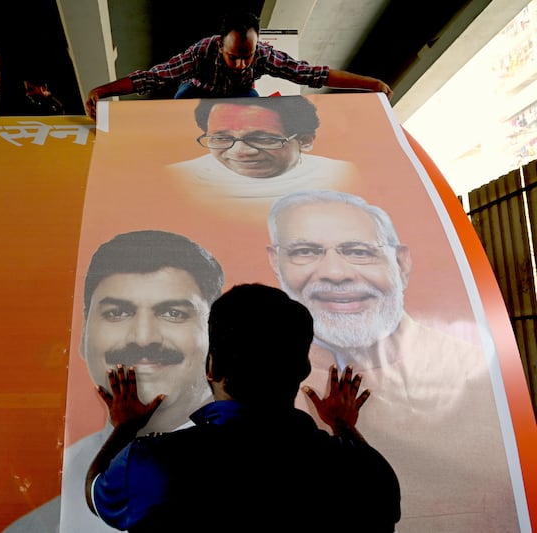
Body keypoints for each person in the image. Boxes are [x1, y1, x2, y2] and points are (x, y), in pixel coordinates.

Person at [266, 189, 520, 532]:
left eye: (358, 251)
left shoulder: (477, 375)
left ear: (401, 262)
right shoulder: (267, 383)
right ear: (274, 262)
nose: (335, 273)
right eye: (305, 252)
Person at [86, 283, 401, 532]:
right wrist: (343, 425)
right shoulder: (361, 472)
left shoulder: (151, 463)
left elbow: (96, 493)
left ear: (212, 366)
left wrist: (126, 426)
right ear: (303, 368)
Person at [4, 229, 224, 532]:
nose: (143, 338)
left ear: (217, 338)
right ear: (81, 336)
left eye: (173, 313)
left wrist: (124, 431)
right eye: (117, 312)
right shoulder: (37, 499)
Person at [85, 10, 392, 119]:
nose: (242, 63)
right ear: (221, 45)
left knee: (259, 113)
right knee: (180, 108)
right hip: (196, 92)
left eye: (248, 55)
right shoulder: (201, 52)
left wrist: (371, 84)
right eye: (235, 56)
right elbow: (152, 78)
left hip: (240, 96)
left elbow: (313, 74)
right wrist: (102, 90)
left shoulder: (263, 55)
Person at [167, 96, 360, 202]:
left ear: (305, 141)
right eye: (222, 138)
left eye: (263, 138)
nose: (240, 152)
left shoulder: (342, 176)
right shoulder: (178, 177)